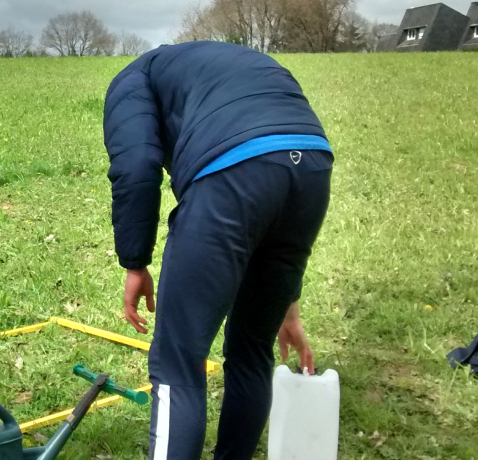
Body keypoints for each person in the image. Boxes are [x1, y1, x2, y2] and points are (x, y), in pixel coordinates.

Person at [102, 41, 333, 460]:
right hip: (313, 167)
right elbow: (279, 166)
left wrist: (135, 262)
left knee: (178, 362)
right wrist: (287, 304)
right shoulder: (230, 62)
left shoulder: (131, 80)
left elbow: (136, 165)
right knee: (251, 350)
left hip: (234, 174)